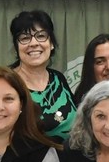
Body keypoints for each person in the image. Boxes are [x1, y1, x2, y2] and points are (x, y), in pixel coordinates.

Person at [10, 9, 77, 144]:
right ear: (17, 47)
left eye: (41, 36)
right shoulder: (7, 82)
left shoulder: (58, 78)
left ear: (51, 44)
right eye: (25, 38)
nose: (34, 43)